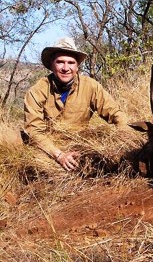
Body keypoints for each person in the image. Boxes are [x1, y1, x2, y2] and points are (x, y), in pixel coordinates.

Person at [23, 37, 128, 171]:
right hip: (48, 150)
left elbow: (117, 114)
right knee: (35, 168)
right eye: (60, 62)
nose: (66, 68)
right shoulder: (36, 91)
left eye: (71, 63)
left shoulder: (91, 86)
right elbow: (33, 131)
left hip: (79, 146)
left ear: (77, 66)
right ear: (51, 65)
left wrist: (123, 140)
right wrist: (59, 155)